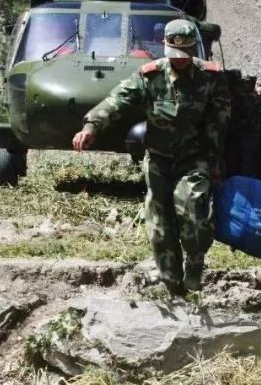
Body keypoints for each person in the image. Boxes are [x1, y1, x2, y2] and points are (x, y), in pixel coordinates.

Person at [72, 19, 231, 296]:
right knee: (159, 226)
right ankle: (173, 286)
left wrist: (215, 162)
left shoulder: (211, 77)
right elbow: (116, 101)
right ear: (166, 48)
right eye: (174, 55)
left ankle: (194, 263)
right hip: (159, 160)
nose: (180, 61)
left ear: (194, 50)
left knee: (193, 209)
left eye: (186, 55)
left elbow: (219, 122)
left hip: (194, 159)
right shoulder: (149, 76)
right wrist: (91, 126)